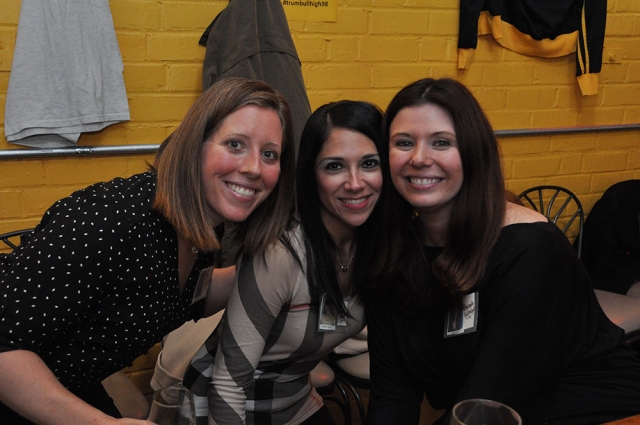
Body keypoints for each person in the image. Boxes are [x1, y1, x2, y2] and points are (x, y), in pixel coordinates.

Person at [0, 77, 296, 425]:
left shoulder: (198, 225)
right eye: (235, 144)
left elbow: (185, 297)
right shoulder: (110, 218)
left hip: (68, 381)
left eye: (269, 154)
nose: (253, 168)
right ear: (194, 145)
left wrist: (277, 266)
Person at [362, 78, 640, 425]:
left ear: (474, 153)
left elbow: (485, 402)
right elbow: (393, 396)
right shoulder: (393, 254)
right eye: (404, 142)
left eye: (442, 142)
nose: (419, 158)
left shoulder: (530, 249)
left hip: (600, 413)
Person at [183, 100, 384, 425]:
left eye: (370, 163)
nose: (355, 183)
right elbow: (228, 384)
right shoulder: (280, 253)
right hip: (224, 408)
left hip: (295, 403)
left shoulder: (380, 248)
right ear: (311, 174)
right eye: (334, 166)